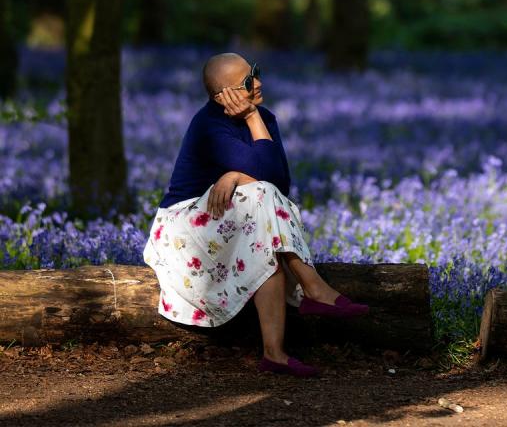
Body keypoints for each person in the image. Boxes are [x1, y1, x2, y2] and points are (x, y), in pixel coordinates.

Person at [143, 52, 368, 377]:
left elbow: (281, 184)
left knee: (265, 241)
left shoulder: (264, 119)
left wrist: (237, 171)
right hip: (185, 227)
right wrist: (249, 136)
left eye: (256, 73)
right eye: (247, 82)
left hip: (237, 219)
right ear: (223, 96)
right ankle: (314, 288)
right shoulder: (209, 125)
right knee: (261, 195)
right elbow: (269, 182)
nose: (258, 83)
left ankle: (274, 354)